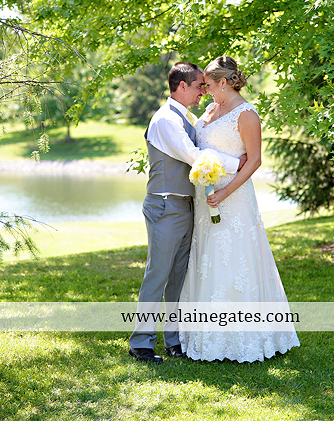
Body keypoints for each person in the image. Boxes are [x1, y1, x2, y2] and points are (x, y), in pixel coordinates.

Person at [179, 56, 300, 362]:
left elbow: (255, 160)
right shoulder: (210, 110)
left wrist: (225, 192)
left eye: (208, 85)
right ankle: (204, 333)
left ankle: (242, 338)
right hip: (206, 199)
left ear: (223, 82)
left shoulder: (246, 114)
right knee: (207, 259)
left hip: (233, 199)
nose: (204, 90)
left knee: (234, 259)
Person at [128, 61, 245, 363]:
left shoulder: (186, 117)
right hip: (165, 205)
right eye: (198, 86)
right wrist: (237, 163)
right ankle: (141, 342)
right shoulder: (166, 120)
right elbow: (195, 157)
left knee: (179, 277)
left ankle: (174, 340)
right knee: (158, 274)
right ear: (182, 86)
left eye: (206, 86)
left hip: (185, 205)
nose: (203, 92)